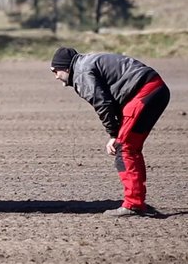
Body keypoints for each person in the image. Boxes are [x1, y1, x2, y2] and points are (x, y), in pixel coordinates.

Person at [50, 47, 170, 217]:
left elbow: (102, 104)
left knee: (125, 148)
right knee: (130, 147)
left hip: (144, 93)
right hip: (155, 89)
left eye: (55, 70)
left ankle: (133, 204)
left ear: (66, 67)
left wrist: (114, 134)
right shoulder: (88, 62)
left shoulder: (82, 72)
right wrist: (117, 132)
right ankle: (136, 202)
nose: (55, 76)